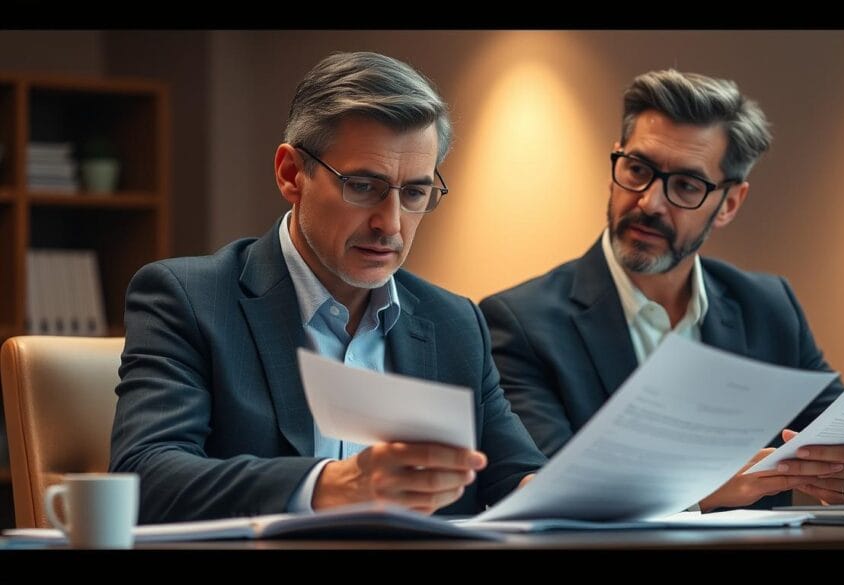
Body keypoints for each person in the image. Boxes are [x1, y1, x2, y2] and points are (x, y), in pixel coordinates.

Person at [110, 51, 546, 524]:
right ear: (291, 175)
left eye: (415, 193)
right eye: (362, 186)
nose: (391, 224)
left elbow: (518, 477)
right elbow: (145, 477)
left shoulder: (456, 322)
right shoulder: (187, 299)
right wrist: (330, 485)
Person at [480, 69, 844, 511]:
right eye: (637, 169)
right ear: (614, 161)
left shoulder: (767, 307)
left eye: (686, 186)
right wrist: (703, 489)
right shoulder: (521, 322)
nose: (649, 203)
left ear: (729, 203)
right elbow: (547, 492)